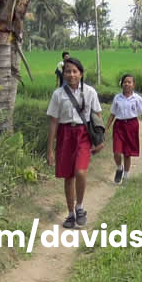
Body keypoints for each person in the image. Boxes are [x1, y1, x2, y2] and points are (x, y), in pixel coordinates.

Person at [47, 56, 104, 228]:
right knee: (68, 176)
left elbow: (97, 116)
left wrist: (99, 140)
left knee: (80, 172)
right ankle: (71, 213)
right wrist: (50, 149)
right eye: (68, 71)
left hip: (83, 135)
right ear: (63, 74)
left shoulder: (90, 92)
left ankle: (80, 207)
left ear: (81, 74)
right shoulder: (58, 94)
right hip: (65, 135)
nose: (71, 75)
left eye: (74, 71)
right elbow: (54, 122)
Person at [105, 74, 142, 184]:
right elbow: (112, 114)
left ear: (133, 85)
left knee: (128, 153)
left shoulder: (137, 98)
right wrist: (106, 128)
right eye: (125, 82)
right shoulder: (117, 98)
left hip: (132, 125)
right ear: (121, 84)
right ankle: (119, 168)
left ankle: (126, 175)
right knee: (117, 151)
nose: (127, 84)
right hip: (119, 126)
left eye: (129, 82)